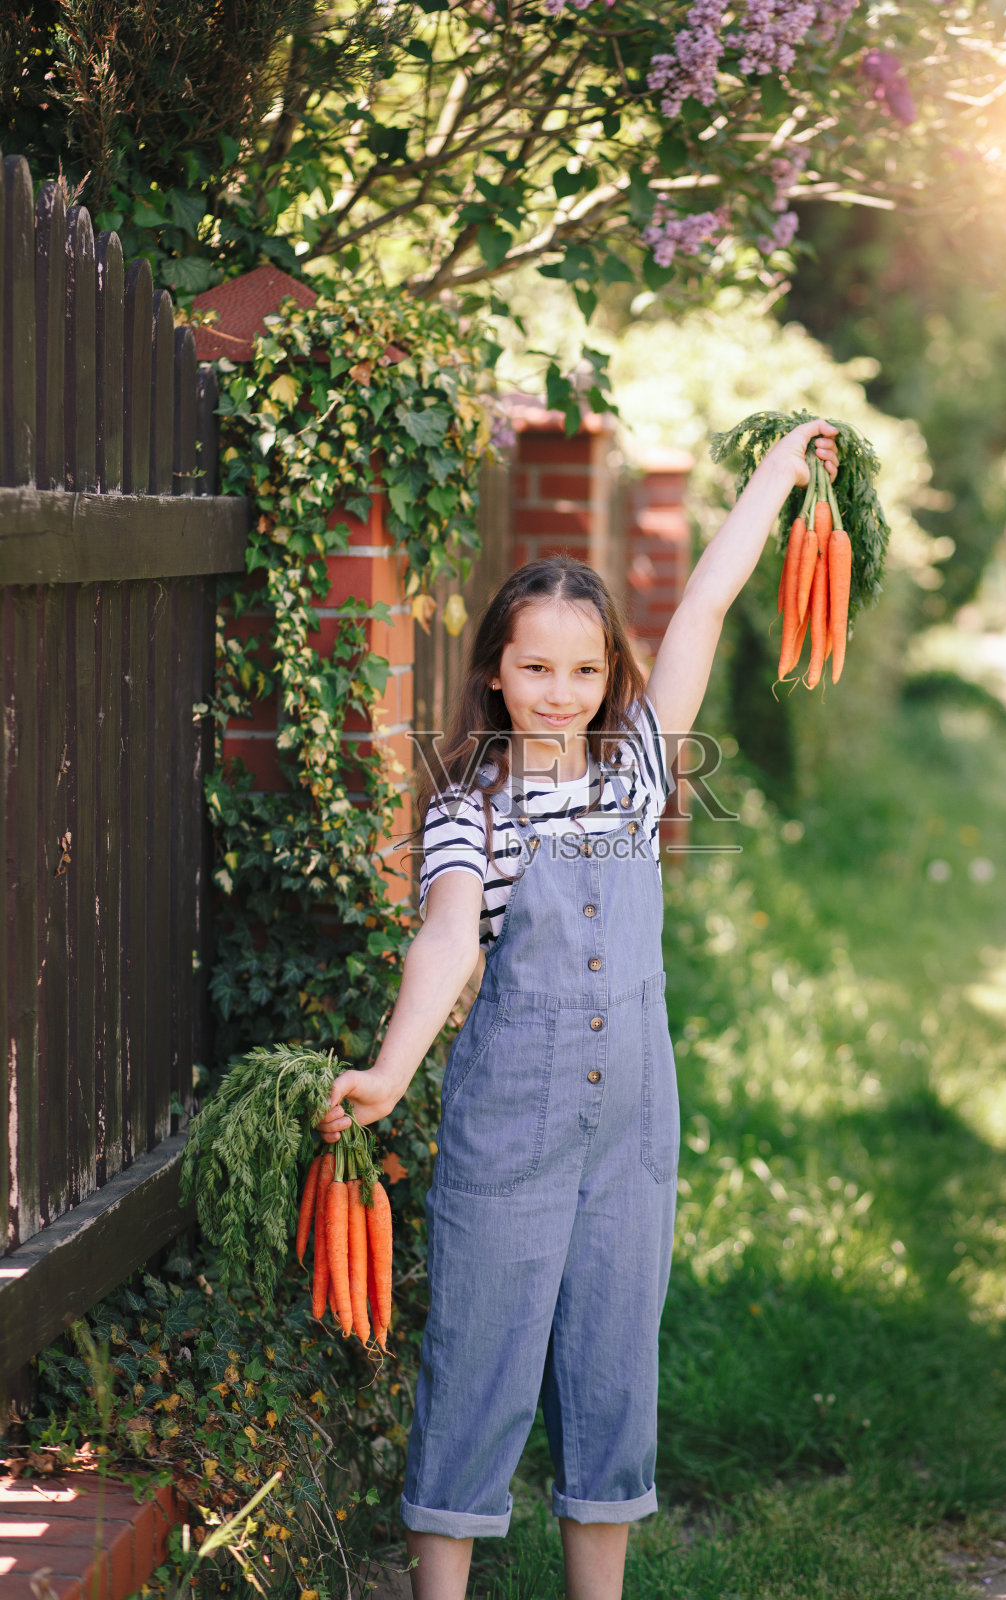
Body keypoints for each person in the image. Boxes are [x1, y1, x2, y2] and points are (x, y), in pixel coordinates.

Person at [317, 417, 839, 1600]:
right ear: (495, 669)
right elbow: (448, 937)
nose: (561, 692)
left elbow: (702, 605)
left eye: (587, 669)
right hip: (514, 1134)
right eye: (536, 666)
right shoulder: (473, 811)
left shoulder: (639, 772)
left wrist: (776, 473)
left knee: (612, 1375)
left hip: (630, 1140)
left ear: (614, 679)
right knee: (478, 1366)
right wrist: (394, 1071)